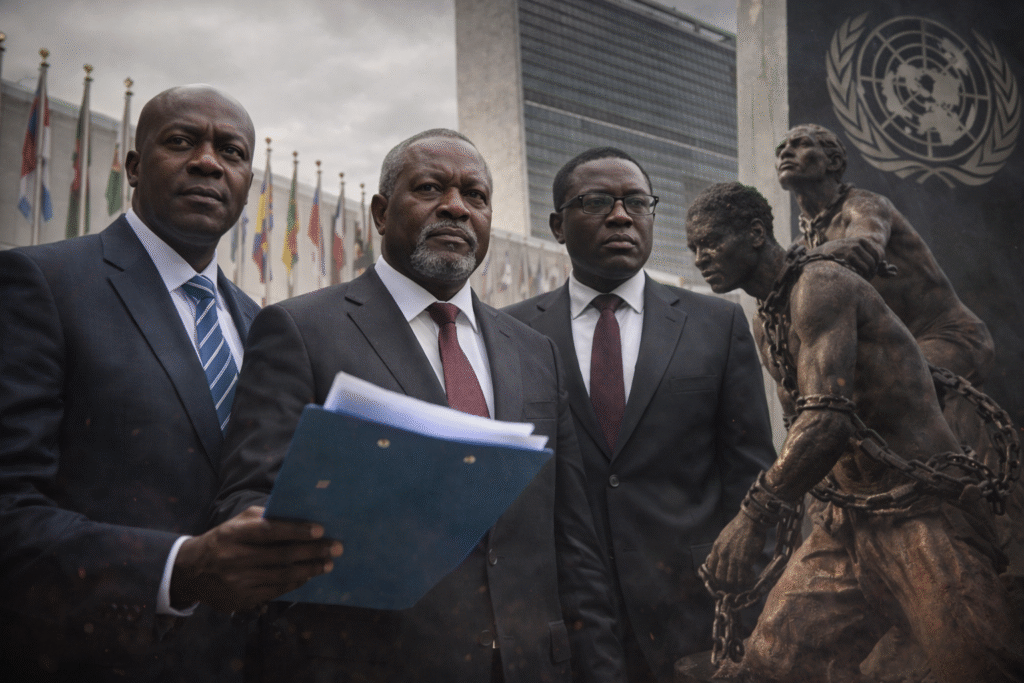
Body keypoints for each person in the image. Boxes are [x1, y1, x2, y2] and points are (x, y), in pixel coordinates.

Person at [213, 129, 624, 682]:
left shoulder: (535, 353)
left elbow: (572, 539)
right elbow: (247, 497)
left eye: (475, 196)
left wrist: (600, 668)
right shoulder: (301, 331)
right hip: (374, 663)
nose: (456, 207)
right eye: (431, 188)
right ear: (382, 212)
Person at [0, 85, 341, 682]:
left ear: (246, 184)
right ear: (133, 167)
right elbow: (10, 511)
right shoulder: (41, 284)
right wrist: (178, 567)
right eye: (181, 142)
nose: (208, 162)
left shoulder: (261, 321)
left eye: (231, 152)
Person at [688, 182, 1024, 683]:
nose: (700, 258)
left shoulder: (820, 286)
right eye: (694, 248)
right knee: (771, 664)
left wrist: (752, 517)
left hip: (922, 513)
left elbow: (826, 417)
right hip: (848, 523)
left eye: (710, 243)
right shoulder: (767, 319)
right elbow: (807, 427)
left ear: (756, 234)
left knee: (978, 669)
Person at [504, 148, 775, 682]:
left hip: (697, 617)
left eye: (637, 202)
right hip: (566, 625)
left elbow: (751, 479)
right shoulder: (510, 334)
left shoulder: (716, 325)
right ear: (558, 225)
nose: (621, 215)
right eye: (597, 201)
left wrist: (749, 614)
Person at [775, 123, 993, 386]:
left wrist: (791, 267)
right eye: (782, 148)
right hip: (894, 351)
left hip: (950, 337)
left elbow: (863, 249)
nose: (786, 152)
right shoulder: (803, 246)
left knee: (882, 393)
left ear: (832, 161)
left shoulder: (863, 205)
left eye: (800, 144)